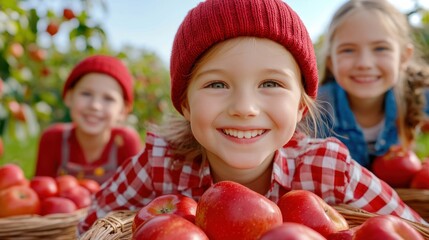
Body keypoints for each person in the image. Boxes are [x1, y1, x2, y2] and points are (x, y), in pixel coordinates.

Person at [79, 0, 427, 233]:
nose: (244, 107)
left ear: (301, 106)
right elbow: (90, 227)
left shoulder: (328, 171)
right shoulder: (159, 168)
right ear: (184, 104)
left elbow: (408, 229)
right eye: (217, 84)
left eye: (271, 83)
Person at [317, 0, 429, 169]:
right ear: (331, 62)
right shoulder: (313, 112)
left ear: (404, 57)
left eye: (380, 48)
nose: (364, 63)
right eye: (348, 50)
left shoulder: (421, 98)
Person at [35, 55, 142, 184]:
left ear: (123, 110)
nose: (95, 105)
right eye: (86, 94)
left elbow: (139, 196)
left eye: (108, 98)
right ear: (69, 97)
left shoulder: (126, 142)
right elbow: (40, 191)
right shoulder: (53, 139)